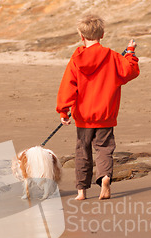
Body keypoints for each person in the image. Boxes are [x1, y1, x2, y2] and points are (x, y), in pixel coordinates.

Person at [56, 14, 140, 200]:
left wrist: (63, 110)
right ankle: (105, 178)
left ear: (81, 36)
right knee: (104, 149)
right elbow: (130, 70)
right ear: (102, 35)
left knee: (82, 151)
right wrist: (130, 52)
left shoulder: (76, 60)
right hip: (105, 114)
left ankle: (81, 191)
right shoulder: (112, 56)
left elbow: (67, 86)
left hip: (84, 116)